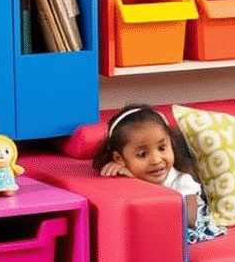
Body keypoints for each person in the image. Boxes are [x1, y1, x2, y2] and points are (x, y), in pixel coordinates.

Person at [91, 104, 223, 244]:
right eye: (142, 154)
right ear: (119, 159)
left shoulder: (182, 181)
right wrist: (129, 180)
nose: (156, 160)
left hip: (189, 230)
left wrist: (139, 185)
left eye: (162, 148)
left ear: (171, 144)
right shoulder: (126, 178)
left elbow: (189, 220)